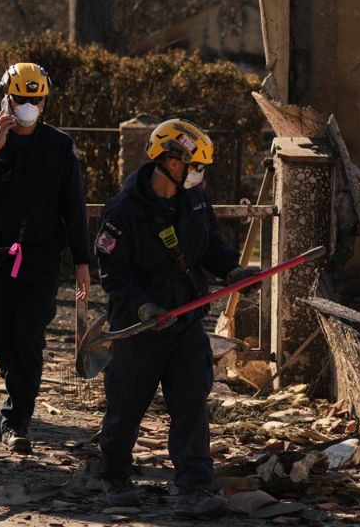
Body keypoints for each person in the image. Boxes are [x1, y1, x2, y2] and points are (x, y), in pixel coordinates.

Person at [92, 118, 258, 517]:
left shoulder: (194, 199)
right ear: (170, 161)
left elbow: (210, 245)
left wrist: (232, 271)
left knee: (191, 404)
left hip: (185, 324)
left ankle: (194, 488)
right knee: (126, 406)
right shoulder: (122, 211)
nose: (200, 173)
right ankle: (114, 477)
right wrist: (143, 306)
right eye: (195, 165)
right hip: (140, 328)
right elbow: (112, 272)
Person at [0, 62, 91, 454]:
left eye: (36, 100)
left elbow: (74, 207)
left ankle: (16, 423)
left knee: (29, 339)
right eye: (20, 99)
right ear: (6, 100)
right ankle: (20, 386)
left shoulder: (60, 147)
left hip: (40, 261)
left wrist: (82, 262)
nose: (29, 106)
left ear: (45, 102)